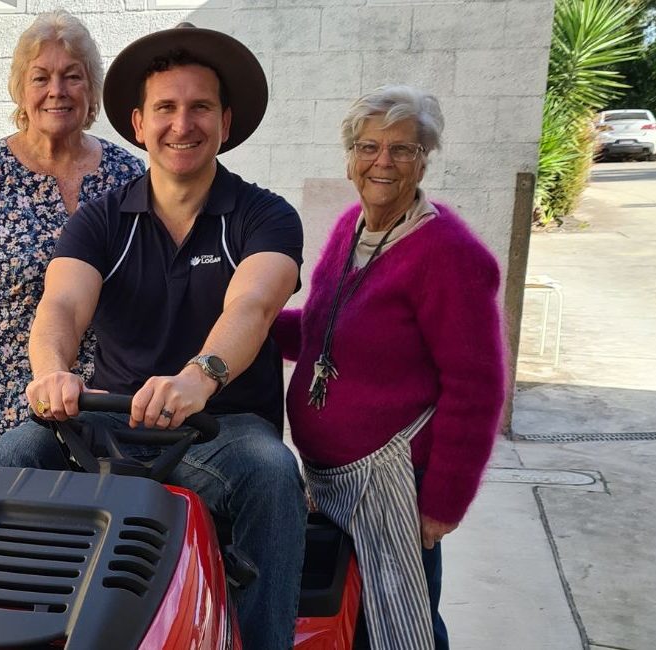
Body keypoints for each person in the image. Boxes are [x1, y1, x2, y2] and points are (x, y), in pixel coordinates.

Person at [0, 24, 307, 649]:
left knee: (272, 472)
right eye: (165, 107)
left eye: (199, 108)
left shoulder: (265, 215)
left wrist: (199, 377)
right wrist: (51, 369)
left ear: (225, 121)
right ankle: (15, 631)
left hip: (221, 427)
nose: (181, 124)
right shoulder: (102, 219)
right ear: (138, 123)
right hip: (111, 420)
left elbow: (254, 304)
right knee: (15, 456)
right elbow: (61, 305)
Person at [270, 85, 506, 649]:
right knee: (352, 621)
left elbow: (477, 386)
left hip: (396, 484)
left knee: (404, 628)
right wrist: (248, 325)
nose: (382, 161)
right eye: (369, 146)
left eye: (402, 149)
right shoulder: (354, 228)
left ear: (424, 159)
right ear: (350, 157)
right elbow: (322, 328)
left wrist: (444, 501)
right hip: (331, 479)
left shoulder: (448, 253)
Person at [0, 10, 144, 481]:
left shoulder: (129, 177)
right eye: (41, 77)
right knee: (11, 548)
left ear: (91, 89)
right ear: (21, 89)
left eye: (72, 76)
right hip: (2, 412)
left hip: (105, 413)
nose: (56, 90)